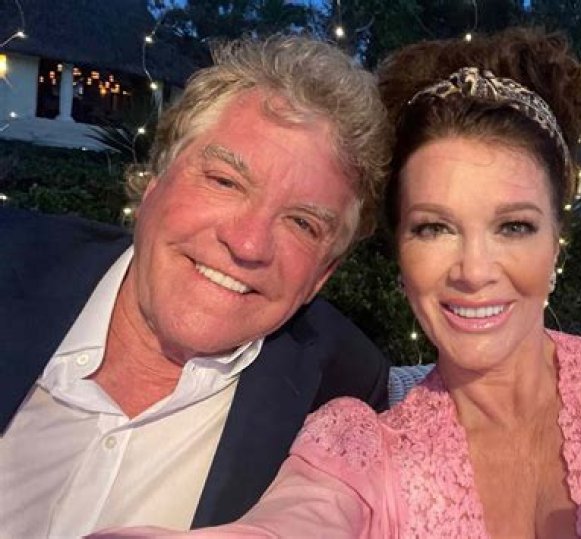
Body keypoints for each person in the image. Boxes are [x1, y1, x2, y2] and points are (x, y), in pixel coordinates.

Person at [94, 28, 581, 539]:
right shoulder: (363, 442)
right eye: (434, 228)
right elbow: (301, 520)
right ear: (399, 255)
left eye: (513, 226)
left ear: (556, 242)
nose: (473, 270)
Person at [0, 35, 393, 537]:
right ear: (154, 180)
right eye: (225, 182)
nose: (248, 244)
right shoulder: (13, 257)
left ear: (322, 275)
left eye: (302, 223)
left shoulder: (342, 385)